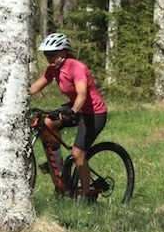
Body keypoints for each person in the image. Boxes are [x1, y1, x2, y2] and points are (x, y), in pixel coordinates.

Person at [29, 32, 108, 199]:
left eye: (52, 54)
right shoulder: (53, 70)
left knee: (78, 153)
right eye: (46, 55)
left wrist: (73, 111)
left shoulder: (76, 67)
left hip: (93, 113)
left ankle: (86, 196)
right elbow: (35, 87)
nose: (49, 58)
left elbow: (82, 94)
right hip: (75, 108)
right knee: (48, 123)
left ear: (64, 52)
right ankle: (56, 165)